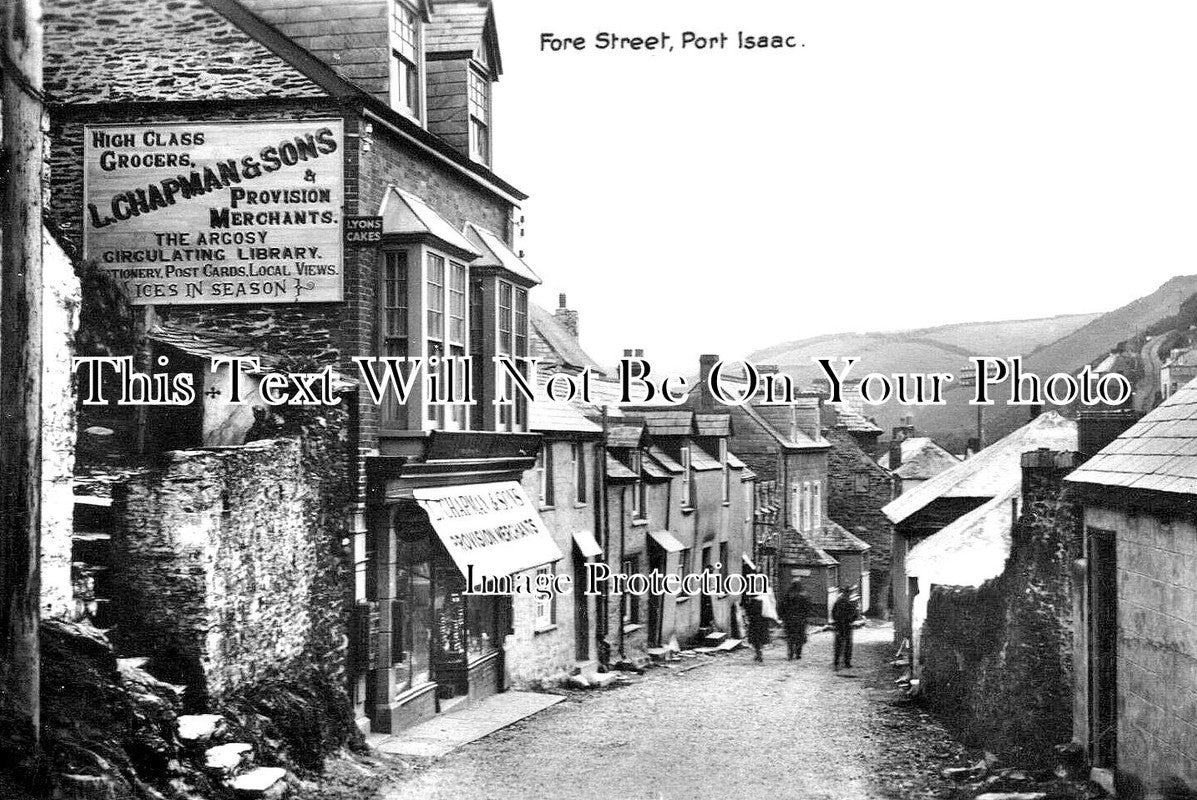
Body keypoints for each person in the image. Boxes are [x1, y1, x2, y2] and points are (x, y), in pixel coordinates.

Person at [778, 581, 811, 660]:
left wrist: (783, 617)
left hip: (789, 619)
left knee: (790, 637)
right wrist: (806, 617)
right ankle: (798, 653)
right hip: (801, 620)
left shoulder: (787, 595)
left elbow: (781, 607)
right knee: (800, 637)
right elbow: (808, 608)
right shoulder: (804, 596)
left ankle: (790, 653)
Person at [831, 585, 859, 671]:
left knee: (838, 644)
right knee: (848, 644)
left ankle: (836, 661)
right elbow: (854, 615)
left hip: (839, 625)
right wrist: (851, 620)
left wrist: (836, 621)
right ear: (849, 593)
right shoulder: (851, 603)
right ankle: (847, 662)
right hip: (847, 626)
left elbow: (833, 613)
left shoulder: (838, 602)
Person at [744, 593, 770, 662]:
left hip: (754, 623)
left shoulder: (751, 602)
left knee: (755, 640)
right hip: (762, 623)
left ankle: (758, 653)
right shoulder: (763, 602)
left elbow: (748, 612)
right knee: (761, 638)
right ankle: (759, 652)